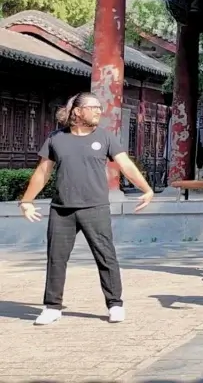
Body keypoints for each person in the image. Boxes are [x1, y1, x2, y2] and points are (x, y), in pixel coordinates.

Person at [19, 92, 156, 325]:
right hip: (62, 209)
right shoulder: (56, 139)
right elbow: (43, 173)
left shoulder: (105, 138)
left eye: (99, 107)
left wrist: (147, 189)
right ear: (77, 111)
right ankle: (52, 306)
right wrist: (26, 201)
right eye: (93, 107)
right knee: (56, 259)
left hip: (95, 208)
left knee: (106, 257)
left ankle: (115, 304)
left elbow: (126, 165)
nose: (98, 111)